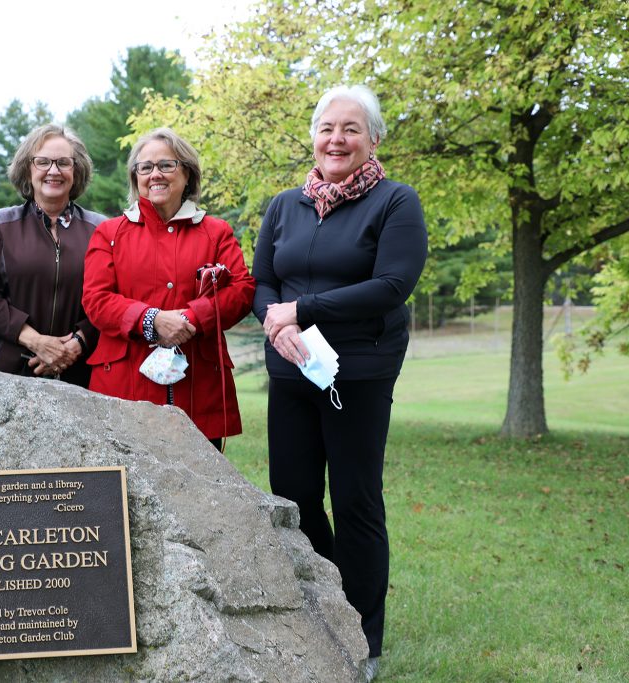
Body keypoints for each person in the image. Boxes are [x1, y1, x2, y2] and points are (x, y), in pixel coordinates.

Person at [252, 85, 427, 680]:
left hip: (359, 370)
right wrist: (278, 325)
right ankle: (326, 602)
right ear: (313, 136)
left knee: (355, 500)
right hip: (292, 368)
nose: (337, 139)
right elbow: (263, 284)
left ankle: (363, 636)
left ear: (372, 138)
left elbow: (392, 285)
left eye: (351, 129)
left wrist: (303, 309)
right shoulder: (284, 205)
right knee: (295, 498)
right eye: (328, 128)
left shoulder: (395, 202)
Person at [82, 127, 255, 448]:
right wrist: (151, 320)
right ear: (135, 178)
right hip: (124, 387)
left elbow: (242, 290)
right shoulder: (109, 233)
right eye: (145, 168)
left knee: (202, 491)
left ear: (187, 173)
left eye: (166, 165)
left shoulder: (216, 232)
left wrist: (191, 317)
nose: (155, 175)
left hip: (199, 389)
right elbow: (96, 300)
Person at [0, 124, 105, 386]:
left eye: (63, 162)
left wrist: (77, 343)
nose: (53, 171)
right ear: (27, 168)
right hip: (7, 375)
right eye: (42, 162)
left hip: (79, 376)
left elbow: (110, 298)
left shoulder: (100, 230)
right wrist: (36, 341)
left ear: (76, 171)